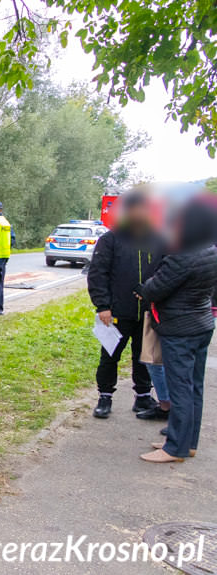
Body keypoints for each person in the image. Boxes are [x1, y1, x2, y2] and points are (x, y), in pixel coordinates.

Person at [136, 197, 217, 463]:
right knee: (194, 387)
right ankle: (186, 441)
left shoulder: (182, 256)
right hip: (201, 323)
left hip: (180, 329)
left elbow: (155, 289)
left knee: (180, 388)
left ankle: (175, 449)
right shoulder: (210, 249)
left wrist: (142, 289)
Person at [87, 191, 161, 418]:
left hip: (149, 311)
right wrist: (102, 306)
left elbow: (167, 272)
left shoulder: (158, 240)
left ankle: (142, 397)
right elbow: (98, 274)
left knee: (143, 356)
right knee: (110, 356)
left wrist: (152, 291)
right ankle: (105, 397)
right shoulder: (110, 239)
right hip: (117, 311)